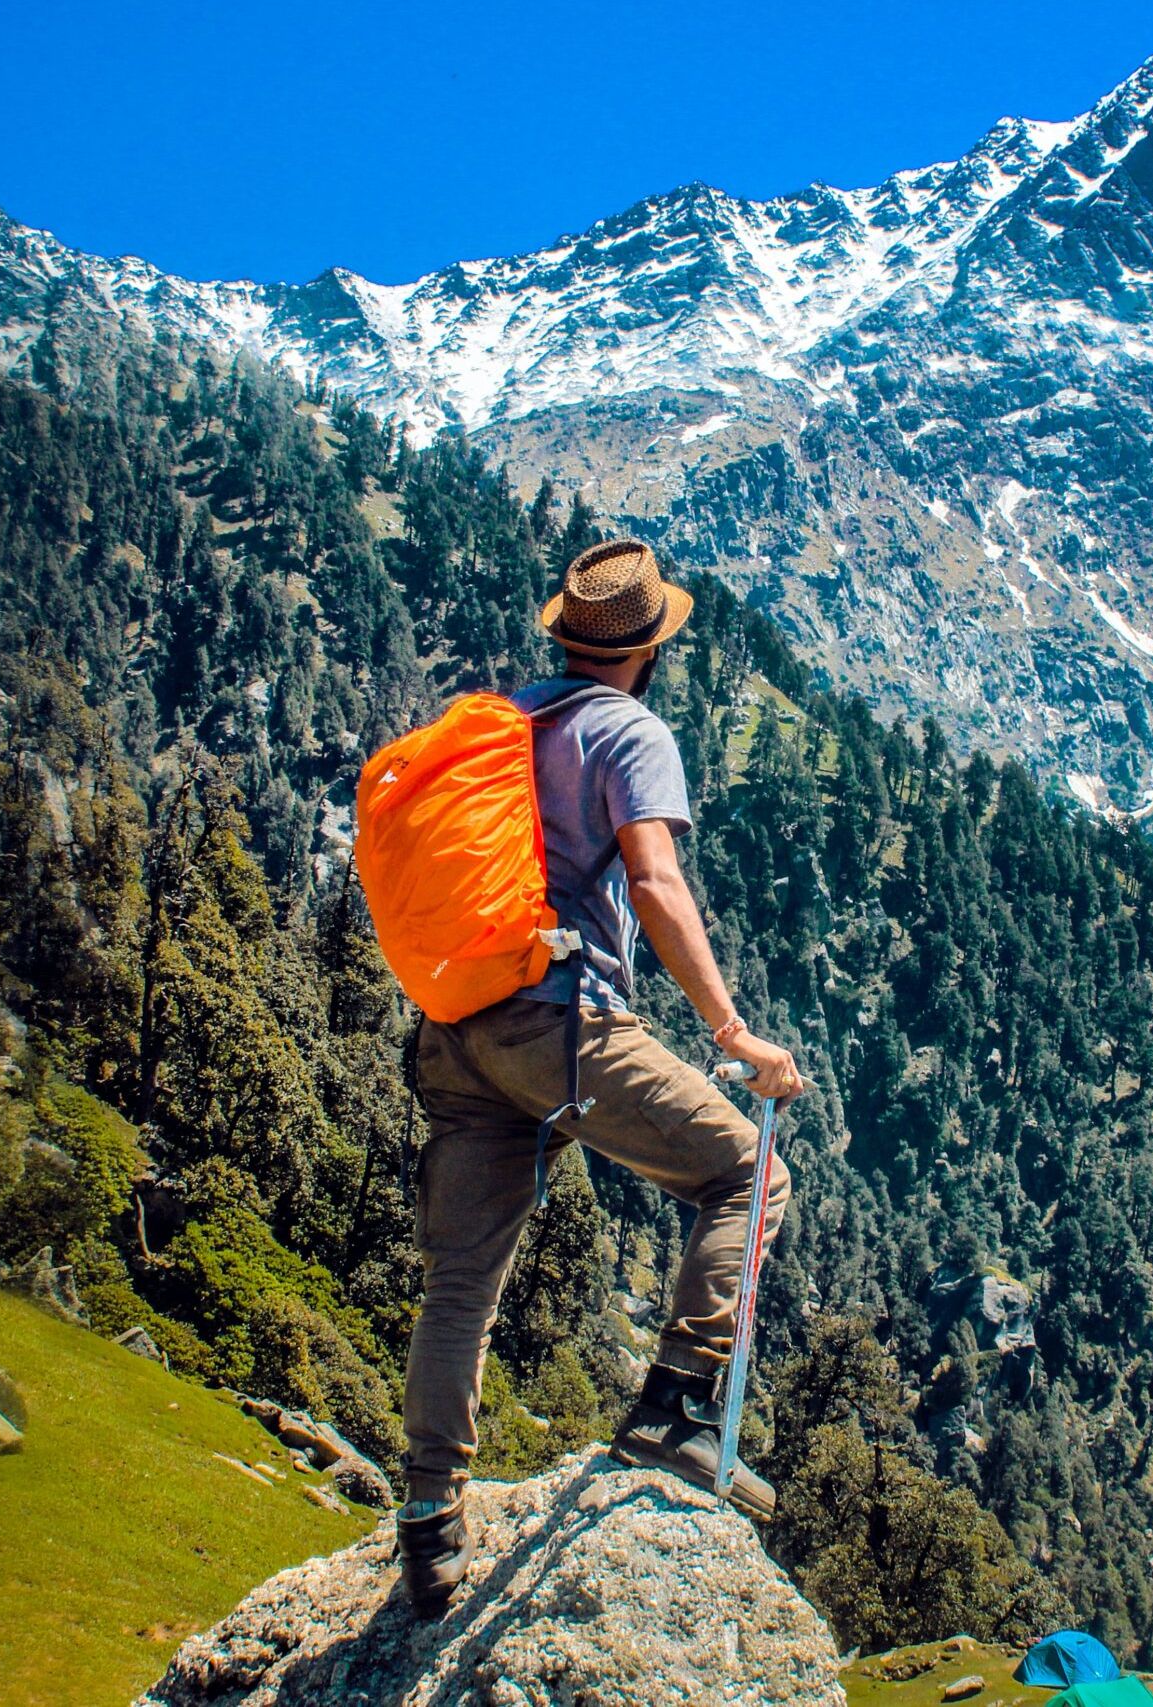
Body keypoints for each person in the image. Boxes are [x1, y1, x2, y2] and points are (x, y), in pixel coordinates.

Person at [395, 538, 804, 1613]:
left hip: (456, 1027)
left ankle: (430, 1524)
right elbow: (656, 882)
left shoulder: (510, 721)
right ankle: (673, 1410)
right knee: (744, 1177)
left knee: (460, 1285)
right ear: (649, 648)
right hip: (559, 1021)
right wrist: (733, 1032)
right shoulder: (628, 728)